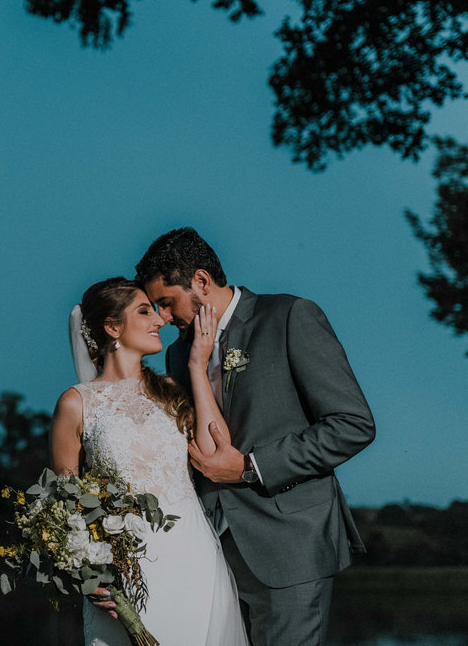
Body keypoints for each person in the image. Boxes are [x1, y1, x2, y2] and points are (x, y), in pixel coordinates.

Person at [135, 228, 375, 646]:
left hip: (290, 543)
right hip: (209, 552)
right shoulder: (179, 354)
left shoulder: (287, 317)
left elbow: (352, 424)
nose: (164, 317)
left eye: (167, 302)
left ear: (202, 281)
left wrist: (249, 467)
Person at [51, 277, 249, 646]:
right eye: (144, 311)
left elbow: (212, 448)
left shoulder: (172, 391)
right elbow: (67, 504)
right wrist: (90, 573)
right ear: (112, 327)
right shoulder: (77, 403)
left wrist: (197, 366)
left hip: (194, 555)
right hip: (126, 569)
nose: (159, 319)